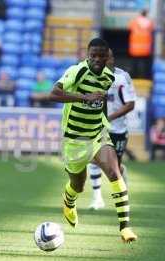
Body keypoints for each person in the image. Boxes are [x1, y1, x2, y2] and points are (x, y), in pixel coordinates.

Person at [48, 38, 137, 243]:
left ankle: (125, 228)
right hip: (74, 139)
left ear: (108, 57)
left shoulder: (108, 77)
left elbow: (102, 100)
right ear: (88, 55)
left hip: (97, 135)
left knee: (115, 172)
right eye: (93, 55)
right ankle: (69, 201)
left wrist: (104, 121)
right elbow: (53, 94)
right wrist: (84, 98)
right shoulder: (76, 71)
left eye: (101, 55)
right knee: (78, 185)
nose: (97, 59)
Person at [88, 49, 136, 210]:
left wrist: (110, 117)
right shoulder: (91, 76)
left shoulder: (122, 78)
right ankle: (97, 199)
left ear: (111, 59)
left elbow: (130, 104)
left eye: (103, 58)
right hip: (99, 129)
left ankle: (122, 186)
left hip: (118, 129)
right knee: (93, 160)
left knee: (114, 169)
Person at [128, 9, 154, 79]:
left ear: (140, 14)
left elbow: (129, 28)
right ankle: (146, 77)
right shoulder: (150, 22)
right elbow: (152, 30)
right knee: (146, 65)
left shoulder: (134, 21)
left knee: (134, 64)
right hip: (146, 49)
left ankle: (134, 77)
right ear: (146, 14)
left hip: (135, 48)